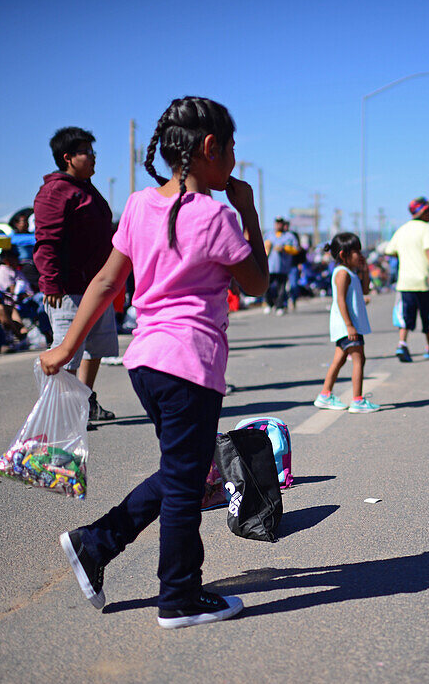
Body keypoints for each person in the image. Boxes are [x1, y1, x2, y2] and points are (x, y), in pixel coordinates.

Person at [46, 96, 269, 629]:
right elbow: (258, 283)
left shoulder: (140, 205)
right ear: (209, 147)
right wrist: (250, 212)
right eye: (232, 147)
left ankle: (93, 545)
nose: (235, 160)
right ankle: (179, 597)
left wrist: (67, 347)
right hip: (190, 364)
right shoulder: (216, 215)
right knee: (187, 484)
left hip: (145, 362)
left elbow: (105, 280)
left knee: (183, 472)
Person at [34, 126, 118, 424]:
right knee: (67, 353)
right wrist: (51, 283)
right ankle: (62, 413)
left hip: (97, 286)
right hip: (68, 289)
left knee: (97, 348)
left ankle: (84, 400)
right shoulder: (56, 191)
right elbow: (46, 241)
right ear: (68, 157)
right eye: (87, 152)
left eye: (93, 151)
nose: (93, 157)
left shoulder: (87, 188)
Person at [314, 232, 380, 413]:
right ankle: (358, 400)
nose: (360, 255)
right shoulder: (342, 273)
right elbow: (341, 301)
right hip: (349, 326)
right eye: (356, 251)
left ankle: (325, 395)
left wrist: (365, 270)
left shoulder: (350, 272)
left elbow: (366, 289)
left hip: (347, 326)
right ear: (344, 254)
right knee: (359, 359)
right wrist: (350, 325)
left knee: (339, 360)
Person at [384, 196, 429, 362]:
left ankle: (402, 344)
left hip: (405, 281)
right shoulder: (427, 228)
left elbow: (389, 250)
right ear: (422, 212)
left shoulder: (402, 229)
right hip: (424, 280)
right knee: (427, 315)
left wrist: (405, 254)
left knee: (405, 315)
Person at [263, 217, 299, 314]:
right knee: (266, 286)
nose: (278, 225)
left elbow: (296, 249)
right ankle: (269, 303)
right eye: (277, 223)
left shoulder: (289, 236)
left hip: (282, 267)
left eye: (280, 223)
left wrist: (284, 249)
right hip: (270, 267)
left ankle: (279, 306)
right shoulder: (268, 235)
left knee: (281, 288)